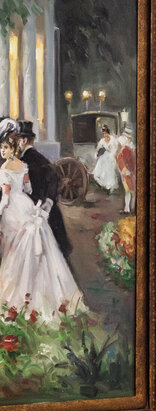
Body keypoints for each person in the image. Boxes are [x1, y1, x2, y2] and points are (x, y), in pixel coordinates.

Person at [0, 133, 84, 322]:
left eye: (4, 148)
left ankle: (18, 297)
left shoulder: (4, 169)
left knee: (13, 251)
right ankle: (45, 297)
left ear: (13, 148)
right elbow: (28, 190)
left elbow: (5, 198)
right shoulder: (23, 166)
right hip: (27, 205)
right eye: (1, 148)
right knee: (31, 248)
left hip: (12, 208)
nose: (2, 151)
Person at [16, 122, 73, 265]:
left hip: (35, 212)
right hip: (49, 211)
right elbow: (54, 178)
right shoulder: (40, 158)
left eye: (17, 140)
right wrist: (49, 200)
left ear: (23, 141)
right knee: (55, 255)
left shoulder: (23, 161)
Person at [92, 124, 121, 196]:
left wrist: (112, 155)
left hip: (111, 156)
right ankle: (104, 186)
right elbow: (98, 148)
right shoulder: (102, 141)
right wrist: (96, 154)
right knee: (100, 171)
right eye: (103, 133)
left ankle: (109, 187)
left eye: (105, 133)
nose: (105, 135)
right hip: (104, 156)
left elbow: (115, 149)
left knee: (109, 170)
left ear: (108, 132)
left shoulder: (113, 139)